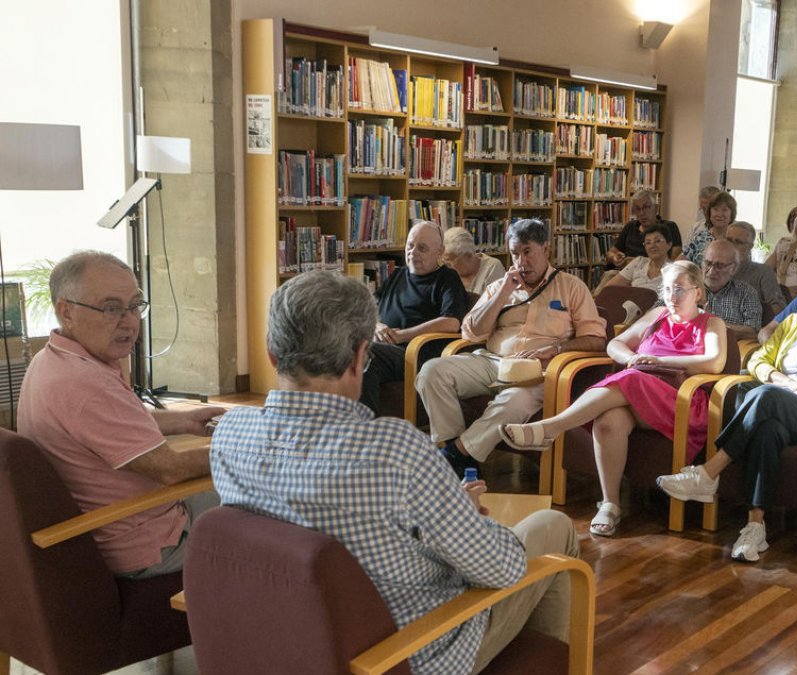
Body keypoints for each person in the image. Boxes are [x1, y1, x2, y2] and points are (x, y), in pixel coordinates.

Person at [210, 271, 579, 674]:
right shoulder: (394, 450)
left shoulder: (230, 434)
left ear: (272, 355)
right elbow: (500, 568)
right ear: (359, 357)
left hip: (294, 642)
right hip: (410, 651)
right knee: (552, 527)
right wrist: (463, 514)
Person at [656, 257, 797, 562]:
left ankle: (709, 473)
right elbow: (758, 361)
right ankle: (754, 528)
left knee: (765, 396)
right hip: (784, 402)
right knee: (766, 428)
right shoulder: (792, 324)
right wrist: (785, 381)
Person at [17, 251, 222, 577]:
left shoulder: (54, 359)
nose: (128, 321)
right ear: (66, 312)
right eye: (111, 308)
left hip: (125, 523)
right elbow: (171, 469)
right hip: (151, 538)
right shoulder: (85, 384)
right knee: (272, 499)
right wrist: (248, 445)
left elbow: (110, 427)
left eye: (134, 306)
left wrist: (182, 420)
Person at [500, 262, 726, 537]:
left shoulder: (711, 323)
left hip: (682, 403)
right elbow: (613, 344)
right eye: (666, 289)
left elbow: (714, 363)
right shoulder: (657, 315)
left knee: (631, 378)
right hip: (639, 396)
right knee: (608, 421)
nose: (671, 296)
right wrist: (631, 358)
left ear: (698, 293)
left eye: (679, 289)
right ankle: (610, 504)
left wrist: (658, 361)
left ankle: (550, 428)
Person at [416, 219, 607, 477]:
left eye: (527, 252)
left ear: (546, 250)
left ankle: (457, 455)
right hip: (493, 361)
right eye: (515, 253)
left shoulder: (571, 287)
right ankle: (455, 451)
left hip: (538, 372)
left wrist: (558, 348)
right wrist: (502, 293)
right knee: (432, 372)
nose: (521, 261)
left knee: (515, 401)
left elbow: (596, 339)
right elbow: (471, 332)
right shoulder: (499, 286)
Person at [361, 220, 469, 415]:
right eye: (410, 246)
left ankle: (364, 427)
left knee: (366, 353)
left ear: (439, 252)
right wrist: (376, 326)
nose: (413, 252)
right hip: (385, 346)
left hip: (415, 354)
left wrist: (404, 335)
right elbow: (368, 309)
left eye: (422, 248)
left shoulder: (447, 278)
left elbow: (451, 322)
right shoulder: (397, 275)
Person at [700, 239, 762, 340]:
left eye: (719, 266)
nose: (711, 271)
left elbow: (753, 331)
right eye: (708, 263)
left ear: (733, 268)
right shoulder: (690, 288)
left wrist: (715, 323)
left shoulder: (745, 292)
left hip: (730, 350)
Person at [606, 189, 682, 267]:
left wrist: (638, 262)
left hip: (656, 273)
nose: (642, 213)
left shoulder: (670, 227)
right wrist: (614, 257)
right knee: (609, 275)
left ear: (656, 208)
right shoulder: (630, 227)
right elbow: (611, 253)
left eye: (646, 207)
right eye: (638, 209)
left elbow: (675, 260)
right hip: (627, 272)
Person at [725, 220, 787, 316]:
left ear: (750, 247)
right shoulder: (714, 268)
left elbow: (779, 307)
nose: (731, 245)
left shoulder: (763, 272)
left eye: (738, 242)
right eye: (728, 240)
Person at [596, 222, 674, 294]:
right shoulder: (639, 262)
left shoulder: (675, 271)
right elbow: (609, 289)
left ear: (669, 244)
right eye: (648, 242)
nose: (652, 245)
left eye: (658, 241)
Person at [443, 226, 505, 295]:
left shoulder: (492, 267)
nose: (448, 267)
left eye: (449, 262)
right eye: (445, 262)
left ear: (468, 255)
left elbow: (493, 303)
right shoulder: (450, 273)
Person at [682, 191, 736, 267]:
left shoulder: (736, 240)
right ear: (710, 212)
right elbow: (680, 262)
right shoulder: (700, 237)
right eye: (715, 209)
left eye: (725, 210)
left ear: (732, 213)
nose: (719, 214)